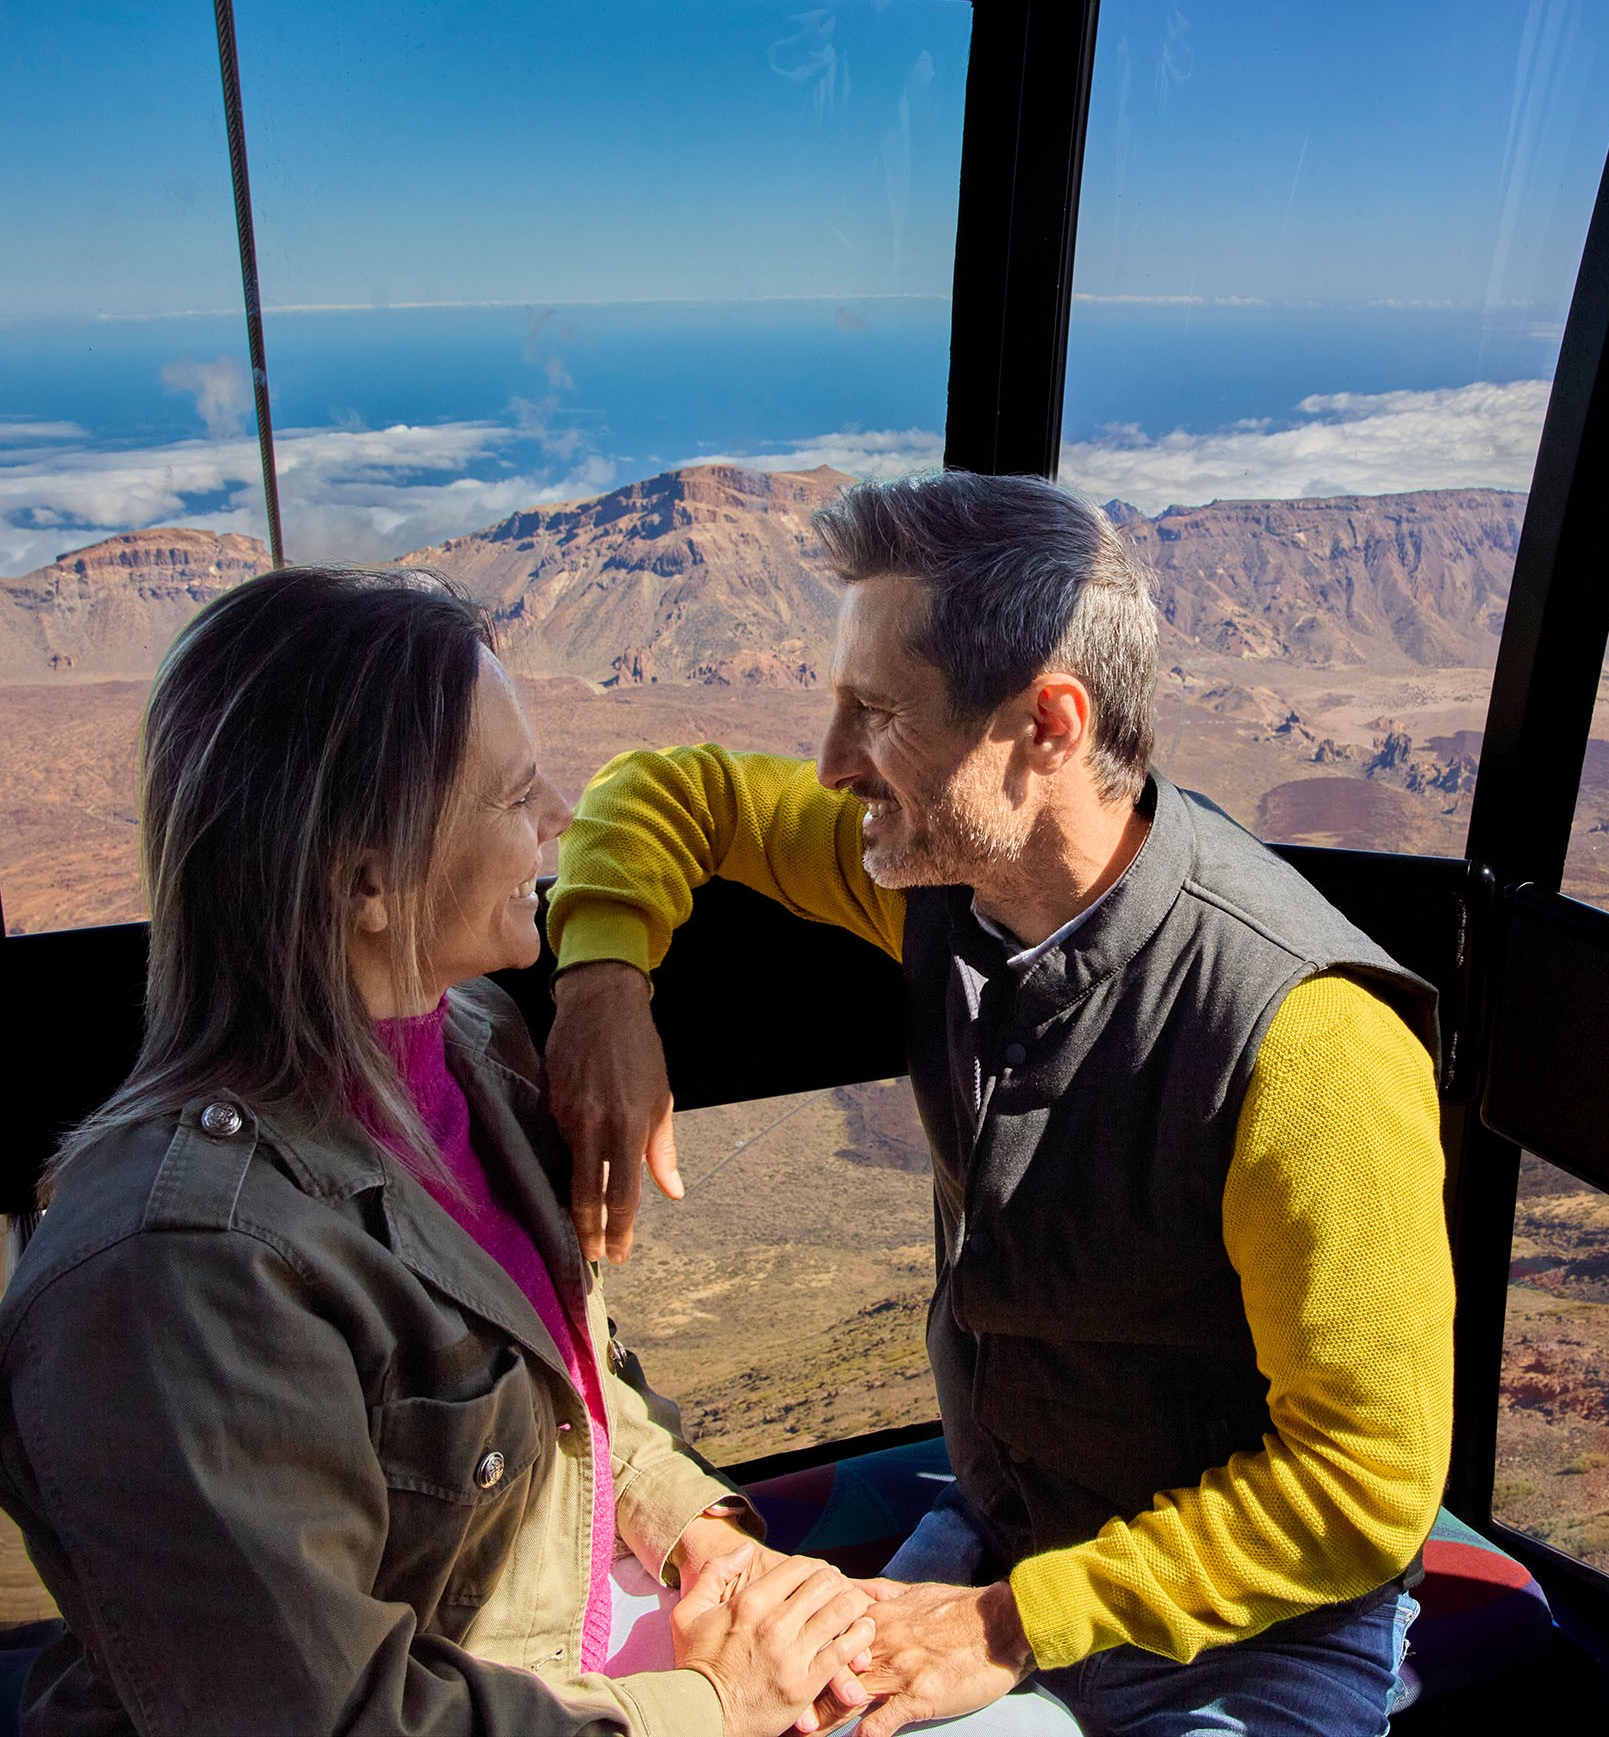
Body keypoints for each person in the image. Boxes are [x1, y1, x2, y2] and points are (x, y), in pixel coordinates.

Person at [545, 472, 1457, 1736]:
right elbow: (674, 786)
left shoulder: (1306, 1041)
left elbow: (1368, 1483)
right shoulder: (943, 885)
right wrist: (600, 980)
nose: (829, 762)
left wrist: (1006, 1624)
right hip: (1010, 1530)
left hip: (1252, 1632)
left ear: (1044, 725)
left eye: (875, 714)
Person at [0, 567, 879, 1737]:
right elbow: (332, 1718)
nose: (559, 815)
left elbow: (573, 1393)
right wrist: (712, 1705)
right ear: (369, 884)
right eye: (511, 796)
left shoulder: (470, 1046)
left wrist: (701, 1539)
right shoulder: (182, 1279)